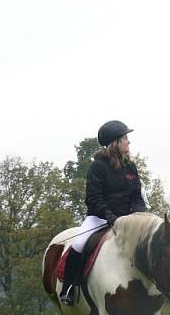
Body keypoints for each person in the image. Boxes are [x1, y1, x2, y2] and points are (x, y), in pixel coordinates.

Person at [59, 120, 147, 305]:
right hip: (99, 219)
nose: (128, 142)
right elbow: (94, 198)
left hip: (128, 220)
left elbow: (137, 196)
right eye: (125, 138)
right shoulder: (98, 167)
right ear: (115, 142)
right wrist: (110, 218)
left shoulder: (131, 167)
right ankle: (68, 288)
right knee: (79, 244)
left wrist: (140, 216)